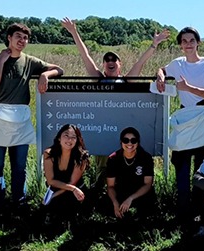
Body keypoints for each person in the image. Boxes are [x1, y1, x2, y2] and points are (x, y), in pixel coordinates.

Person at [61, 17, 169, 199]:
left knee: (123, 166)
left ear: (119, 66)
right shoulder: (97, 79)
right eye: (106, 59)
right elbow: (85, 55)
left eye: (114, 59)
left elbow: (140, 63)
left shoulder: (126, 81)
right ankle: (97, 196)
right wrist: (74, 32)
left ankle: (122, 196)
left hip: (123, 133)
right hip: (102, 130)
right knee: (102, 167)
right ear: (103, 66)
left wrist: (154, 44)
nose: (110, 61)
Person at [0, 23, 64, 218]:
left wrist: (45, 74)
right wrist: (2, 60)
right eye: (18, 36)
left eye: (25, 38)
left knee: (19, 165)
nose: (22, 41)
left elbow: (59, 69)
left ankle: (18, 202)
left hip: (20, 118)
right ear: (9, 38)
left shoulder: (29, 61)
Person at [156, 26, 204, 235]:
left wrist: (188, 87)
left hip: (202, 116)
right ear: (181, 44)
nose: (188, 44)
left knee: (201, 169)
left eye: (192, 40)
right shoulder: (177, 63)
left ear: (198, 42)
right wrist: (161, 77)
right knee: (181, 166)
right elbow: (162, 70)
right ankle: (182, 214)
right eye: (184, 41)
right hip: (184, 117)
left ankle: (201, 213)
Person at [104, 127, 157, 221]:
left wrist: (130, 198)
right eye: (126, 140)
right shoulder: (113, 159)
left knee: (147, 208)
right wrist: (115, 203)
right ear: (121, 142)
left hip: (139, 193)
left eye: (133, 140)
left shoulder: (146, 158)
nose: (129, 143)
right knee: (107, 206)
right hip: (121, 191)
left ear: (138, 142)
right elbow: (110, 186)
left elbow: (148, 184)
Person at [42, 124, 90, 227]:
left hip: (75, 189)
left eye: (73, 137)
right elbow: (50, 181)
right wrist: (53, 195)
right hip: (58, 188)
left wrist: (54, 196)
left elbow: (72, 182)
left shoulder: (82, 157)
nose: (69, 139)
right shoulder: (49, 154)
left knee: (70, 205)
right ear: (59, 138)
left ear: (77, 140)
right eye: (66, 135)